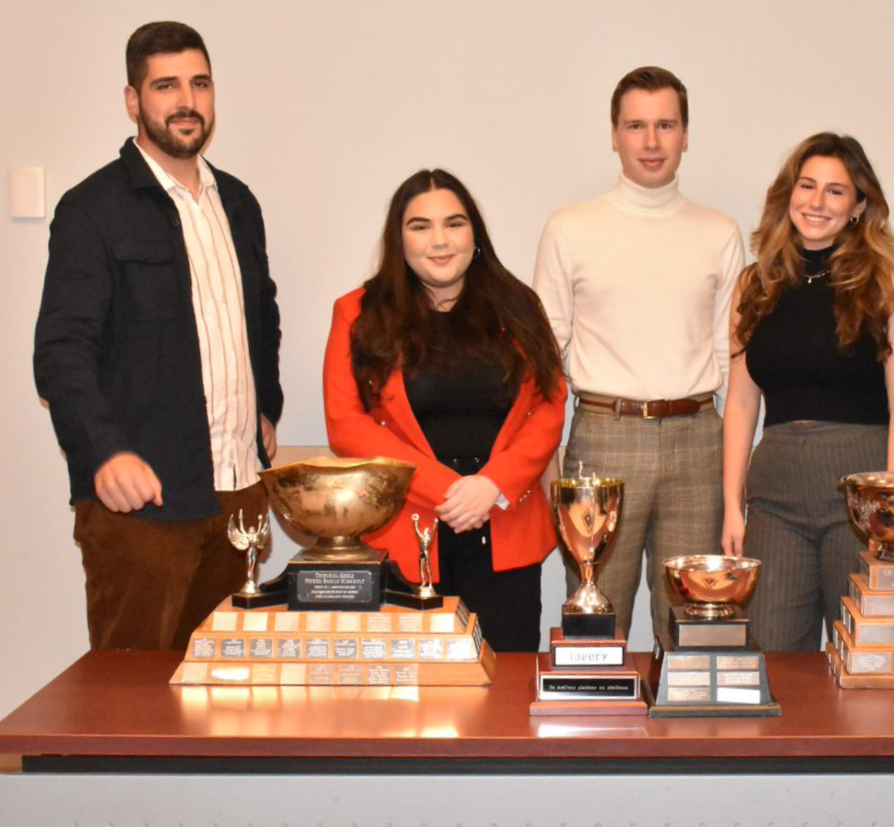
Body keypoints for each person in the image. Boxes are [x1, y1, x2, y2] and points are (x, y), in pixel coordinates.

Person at [33, 21, 282, 651]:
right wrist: (104, 452)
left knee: (228, 688)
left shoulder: (239, 203)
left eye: (200, 83)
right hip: (143, 508)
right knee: (130, 694)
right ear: (133, 100)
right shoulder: (92, 209)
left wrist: (267, 406)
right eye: (166, 86)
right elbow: (62, 352)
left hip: (239, 498)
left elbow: (262, 314)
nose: (186, 101)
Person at [532, 66, 744, 640]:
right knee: (596, 620)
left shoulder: (719, 232)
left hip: (697, 438)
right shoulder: (569, 228)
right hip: (605, 435)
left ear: (686, 134)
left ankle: (686, 705)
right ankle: (596, 704)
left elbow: (731, 362)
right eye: (636, 126)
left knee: (694, 623)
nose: (651, 141)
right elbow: (544, 357)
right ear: (614, 135)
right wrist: (548, 465)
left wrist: (735, 471)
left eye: (665, 125)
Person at [324, 169, 566, 652]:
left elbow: (549, 406)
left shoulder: (519, 305)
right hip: (408, 527)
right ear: (399, 239)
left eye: (454, 223)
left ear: (474, 234)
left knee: (505, 678)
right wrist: (448, 490)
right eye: (420, 226)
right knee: (410, 685)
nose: (440, 240)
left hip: (503, 521)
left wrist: (492, 485)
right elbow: (346, 424)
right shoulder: (358, 311)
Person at [721, 133, 894, 651]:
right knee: (770, 652)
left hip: (860, 492)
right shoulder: (754, 285)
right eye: (806, 186)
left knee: (863, 651)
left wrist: (893, 509)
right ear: (788, 193)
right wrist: (731, 505)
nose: (816, 202)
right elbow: (741, 403)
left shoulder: (889, 284)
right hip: (774, 494)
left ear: (858, 205)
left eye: (835, 191)